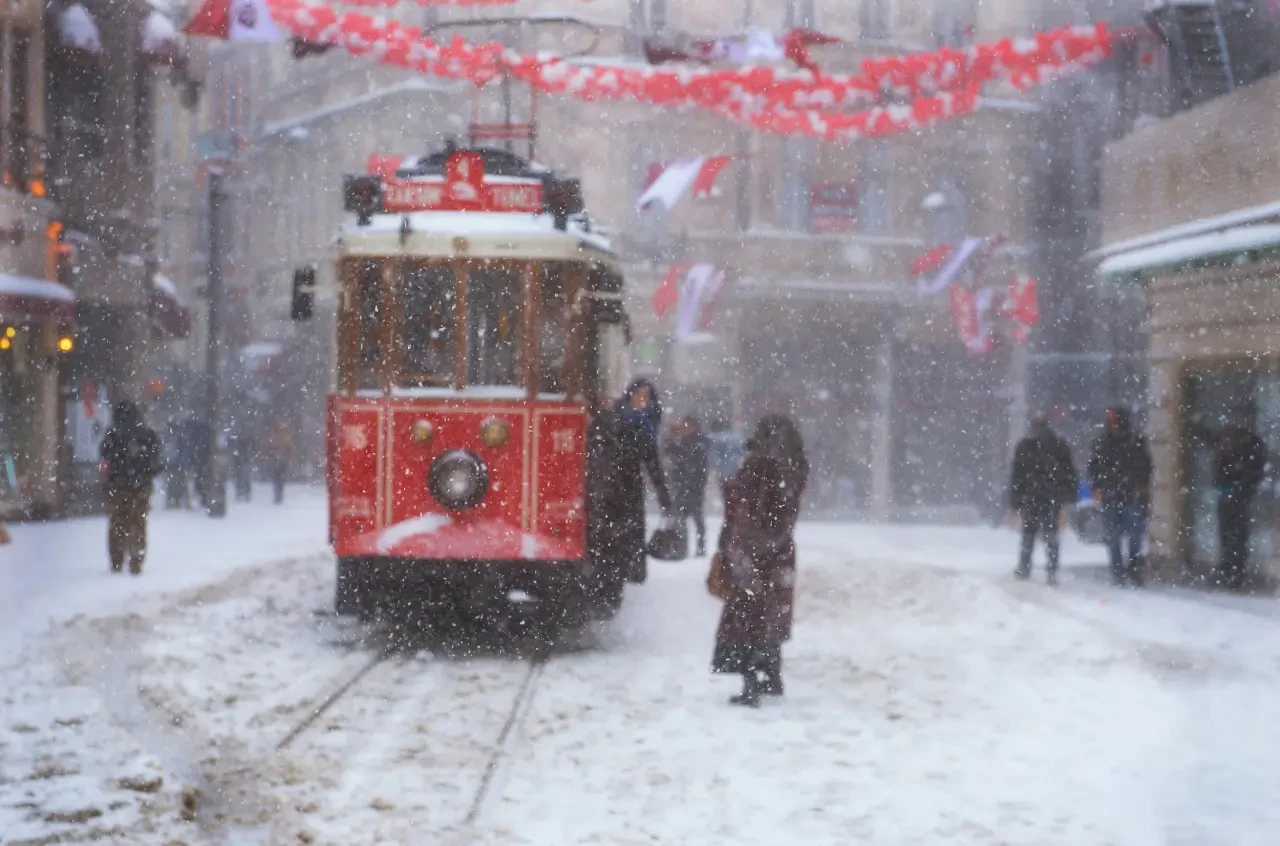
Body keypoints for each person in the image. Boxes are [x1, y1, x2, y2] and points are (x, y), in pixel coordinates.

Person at [712, 415, 809, 707]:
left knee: (747, 616)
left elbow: (744, 513)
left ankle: (751, 683)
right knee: (772, 615)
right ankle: (771, 676)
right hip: (781, 553)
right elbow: (781, 511)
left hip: (752, 552)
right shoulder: (795, 467)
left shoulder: (757, 467)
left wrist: (735, 550)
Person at [587, 380, 671, 588]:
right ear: (630, 395)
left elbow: (653, 464)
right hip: (606, 489)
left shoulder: (646, 425)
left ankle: (613, 583)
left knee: (622, 542)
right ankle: (603, 581)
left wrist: (664, 498)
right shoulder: (613, 418)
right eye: (638, 395)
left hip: (628, 490)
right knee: (608, 539)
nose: (642, 401)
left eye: (646, 396)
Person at [1009, 413, 1077, 586]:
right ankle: (1051, 570)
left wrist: (1016, 499)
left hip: (1033, 496)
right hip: (1050, 496)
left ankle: (1026, 567)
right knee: (1050, 535)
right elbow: (1068, 472)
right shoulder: (1058, 446)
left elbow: (1018, 475)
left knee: (1030, 534)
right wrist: (1067, 493)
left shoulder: (1026, 446)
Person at [1088, 407, 1153, 587]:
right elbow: (1094, 467)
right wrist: (1097, 486)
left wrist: (1142, 486)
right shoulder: (1104, 442)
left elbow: (1145, 466)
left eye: (1112, 419)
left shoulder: (1134, 441)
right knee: (1114, 535)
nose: (1109, 424)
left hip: (1129, 493)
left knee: (1133, 534)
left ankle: (1132, 568)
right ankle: (1119, 571)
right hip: (1113, 493)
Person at [100, 400, 163, 575]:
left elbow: (104, 457)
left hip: (117, 486)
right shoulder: (147, 435)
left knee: (116, 523)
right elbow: (155, 461)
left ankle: (116, 560)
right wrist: (147, 473)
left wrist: (109, 479)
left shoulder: (112, 435)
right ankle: (136, 559)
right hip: (141, 487)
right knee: (138, 522)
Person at [1213, 419, 1268, 590]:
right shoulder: (1237, 448)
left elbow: (1249, 473)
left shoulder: (1247, 449)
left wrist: (1238, 489)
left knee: (1235, 536)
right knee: (1231, 536)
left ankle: (1233, 573)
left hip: (1238, 497)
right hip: (1232, 495)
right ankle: (1231, 571)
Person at [665, 415, 712, 556]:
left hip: (694, 485)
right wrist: (672, 438)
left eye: (686, 425)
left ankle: (700, 547)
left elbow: (697, 463)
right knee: (682, 519)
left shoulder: (700, 442)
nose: (684, 428)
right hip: (681, 484)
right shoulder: (683, 441)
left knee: (697, 518)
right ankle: (683, 547)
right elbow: (670, 453)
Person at [265, 418, 295, 505]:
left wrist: (289, 457)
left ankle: (278, 494)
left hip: (281, 461)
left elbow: (290, 449)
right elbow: (267, 449)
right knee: (277, 478)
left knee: (279, 478)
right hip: (277, 461)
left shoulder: (284, 437)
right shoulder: (274, 437)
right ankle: (277, 494)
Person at [228, 423, 255, 503]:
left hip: (243, 460)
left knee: (244, 477)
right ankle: (242, 493)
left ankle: (244, 493)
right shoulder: (238, 439)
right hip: (239, 460)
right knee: (241, 477)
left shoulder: (246, 439)